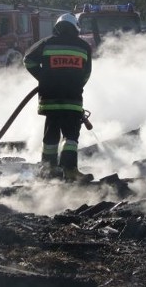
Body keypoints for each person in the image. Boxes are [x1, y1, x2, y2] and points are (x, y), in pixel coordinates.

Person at [23, 13, 93, 182]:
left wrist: (44, 77)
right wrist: (76, 84)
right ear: (76, 28)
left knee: (51, 136)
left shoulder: (47, 43)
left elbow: (28, 60)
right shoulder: (84, 46)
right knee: (70, 136)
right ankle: (69, 170)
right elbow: (86, 73)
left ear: (57, 27)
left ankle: (48, 170)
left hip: (50, 99)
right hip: (72, 99)